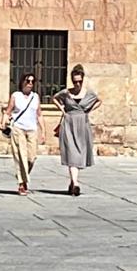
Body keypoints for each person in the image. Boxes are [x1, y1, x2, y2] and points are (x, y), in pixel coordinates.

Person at [53, 64, 100, 196]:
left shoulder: (89, 93)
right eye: (75, 81)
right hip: (68, 123)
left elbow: (98, 100)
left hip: (82, 124)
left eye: (79, 81)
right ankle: (76, 183)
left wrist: (89, 110)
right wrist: (62, 110)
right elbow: (55, 98)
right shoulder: (66, 93)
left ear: (83, 79)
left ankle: (72, 183)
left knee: (80, 153)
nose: (77, 84)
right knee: (72, 152)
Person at [1, 73, 42, 195]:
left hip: (32, 130)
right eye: (27, 81)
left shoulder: (35, 97)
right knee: (20, 157)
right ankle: (21, 184)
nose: (30, 83)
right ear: (22, 82)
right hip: (18, 129)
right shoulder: (16, 96)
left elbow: (39, 114)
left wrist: (43, 131)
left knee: (31, 158)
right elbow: (8, 112)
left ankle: (22, 177)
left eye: (32, 81)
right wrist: (3, 123)